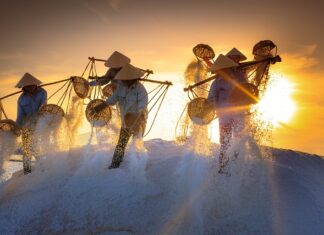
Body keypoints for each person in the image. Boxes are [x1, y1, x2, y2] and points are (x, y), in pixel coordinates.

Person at [96, 63, 148, 169]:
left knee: (136, 142)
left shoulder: (140, 89)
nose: (126, 81)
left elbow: (143, 103)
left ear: (134, 79)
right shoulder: (121, 88)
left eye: (128, 79)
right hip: (126, 120)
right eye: (125, 79)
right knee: (121, 143)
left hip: (138, 120)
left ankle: (138, 165)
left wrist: (138, 113)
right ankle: (115, 164)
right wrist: (102, 105)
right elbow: (113, 99)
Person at [208, 54, 242, 174]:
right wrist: (212, 107)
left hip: (238, 114)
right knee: (224, 141)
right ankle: (222, 167)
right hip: (223, 117)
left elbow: (247, 93)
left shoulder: (239, 79)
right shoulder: (216, 83)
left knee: (238, 139)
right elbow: (211, 99)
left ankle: (236, 164)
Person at [16, 72, 47, 174]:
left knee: (37, 147)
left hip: (40, 124)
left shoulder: (42, 92)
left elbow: (43, 106)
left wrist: (40, 115)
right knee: (27, 149)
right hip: (26, 126)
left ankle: (44, 168)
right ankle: (27, 171)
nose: (30, 89)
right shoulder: (21, 99)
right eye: (27, 87)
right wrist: (16, 128)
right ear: (24, 87)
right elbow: (20, 116)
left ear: (35, 85)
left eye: (32, 86)